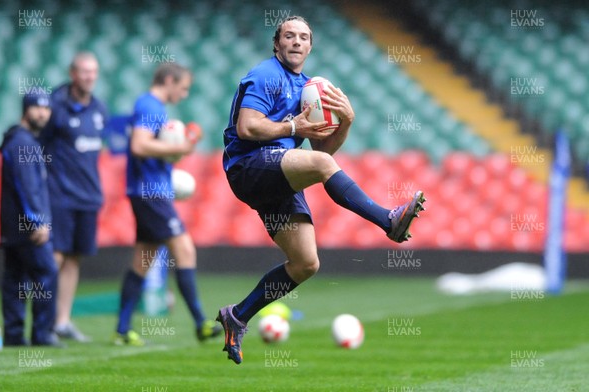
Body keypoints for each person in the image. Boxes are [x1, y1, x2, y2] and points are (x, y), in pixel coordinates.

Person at [217, 16, 426, 364]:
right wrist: (292, 126)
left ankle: (237, 316)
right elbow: (247, 126)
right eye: (289, 36)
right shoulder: (266, 74)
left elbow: (322, 156)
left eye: (303, 37)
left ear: (310, 46)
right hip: (249, 165)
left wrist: (346, 122)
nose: (296, 42)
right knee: (323, 173)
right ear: (276, 44)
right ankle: (388, 220)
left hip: (278, 168)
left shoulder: (308, 88)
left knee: (305, 263)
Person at [113, 62, 222, 346]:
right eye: (183, 88)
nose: (184, 94)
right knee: (184, 248)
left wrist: (173, 157)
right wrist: (180, 149)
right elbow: (139, 145)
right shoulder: (150, 106)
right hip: (150, 193)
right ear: (170, 80)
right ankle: (200, 323)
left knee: (143, 259)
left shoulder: (153, 107)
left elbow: (148, 149)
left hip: (149, 190)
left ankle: (122, 329)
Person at [41, 52, 108, 342]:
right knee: (53, 259)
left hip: (88, 197)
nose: (89, 76)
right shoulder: (55, 106)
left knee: (73, 260)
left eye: (93, 71)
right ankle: (42, 324)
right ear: (72, 73)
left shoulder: (99, 108)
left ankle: (62, 321)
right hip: (59, 197)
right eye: (84, 71)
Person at [0, 92, 61, 347]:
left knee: (16, 277)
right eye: (37, 108)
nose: (42, 113)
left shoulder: (17, 140)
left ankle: (14, 334)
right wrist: (38, 222)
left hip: (12, 224)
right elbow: (27, 187)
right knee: (46, 272)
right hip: (27, 226)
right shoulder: (23, 143)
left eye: (46, 109)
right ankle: (42, 333)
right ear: (26, 110)